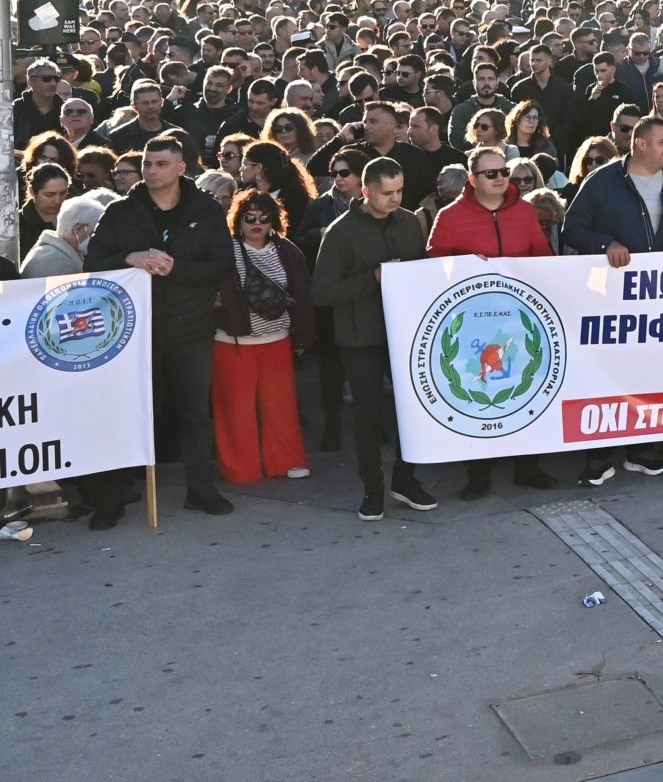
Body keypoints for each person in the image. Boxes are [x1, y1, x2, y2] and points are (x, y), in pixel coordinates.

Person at [81, 132, 238, 526]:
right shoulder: (121, 211)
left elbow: (222, 264)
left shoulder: (206, 209)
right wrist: (128, 258)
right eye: (148, 164)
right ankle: (113, 497)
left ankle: (200, 488)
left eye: (161, 164)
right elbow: (92, 265)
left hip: (190, 328)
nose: (151, 171)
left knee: (194, 413)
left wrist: (177, 269)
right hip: (134, 333)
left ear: (181, 167)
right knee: (131, 414)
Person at [561, 116, 663, 484]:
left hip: (661, 297)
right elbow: (572, 227)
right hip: (612, 298)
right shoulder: (604, 180)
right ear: (640, 144)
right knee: (609, 374)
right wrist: (605, 244)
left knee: (653, 372)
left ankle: (644, 451)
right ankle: (600, 455)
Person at [309, 158, 440, 521]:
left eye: (400, 191)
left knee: (413, 414)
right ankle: (372, 489)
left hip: (405, 335)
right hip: (360, 338)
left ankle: (405, 480)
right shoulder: (341, 231)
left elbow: (420, 273)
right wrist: (375, 277)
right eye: (387, 193)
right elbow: (321, 292)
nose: (396, 198)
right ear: (366, 191)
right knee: (368, 418)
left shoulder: (411, 222)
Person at [426, 144, 559, 499]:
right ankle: (478, 474)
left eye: (504, 172)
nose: (501, 179)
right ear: (473, 179)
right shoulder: (450, 217)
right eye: (491, 173)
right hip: (473, 324)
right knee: (475, 395)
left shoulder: (525, 212)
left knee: (528, 387)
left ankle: (528, 467)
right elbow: (433, 267)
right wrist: (466, 267)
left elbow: (543, 257)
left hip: (521, 320)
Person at [210, 189, 313, 488]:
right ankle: (240, 467)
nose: (257, 223)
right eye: (249, 217)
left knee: (281, 406)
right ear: (238, 220)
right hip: (232, 342)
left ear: (274, 221)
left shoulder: (288, 251)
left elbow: (303, 295)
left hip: (276, 339)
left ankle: (287, 459)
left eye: (264, 217)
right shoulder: (223, 251)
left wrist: (304, 336)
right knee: (234, 408)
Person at [22, 189, 107, 279]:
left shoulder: (56, 253)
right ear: (78, 229)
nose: (98, 239)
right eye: (94, 232)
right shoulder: (56, 263)